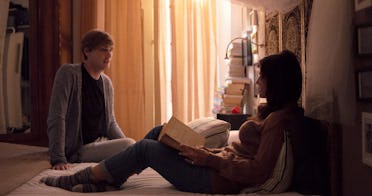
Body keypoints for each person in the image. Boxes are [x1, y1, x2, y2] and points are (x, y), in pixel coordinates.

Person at [41, 50, 305, 194]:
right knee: (159, 131)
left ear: (277, 81)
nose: (258, 82)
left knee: (145, 149)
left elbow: (258, 172)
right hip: (214, 167)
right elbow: (245, 156)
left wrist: (209, 159)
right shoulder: (274, 115)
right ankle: (110, 180)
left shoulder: (278, 122)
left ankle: (83, 177)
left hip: (215, 180)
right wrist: (207, 152)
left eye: (262, 77)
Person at [47, 29, 136, 170]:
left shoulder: (106, 83)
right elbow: (57, 117)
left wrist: (132, 149)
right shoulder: (68, 74)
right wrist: (58, 158)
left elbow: (111, 123)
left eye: (111, 50)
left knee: (138, 146)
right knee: (129, 145)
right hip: (80, 149)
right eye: (103, 50)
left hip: (102, 144)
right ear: (87, 51)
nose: (109, 55)